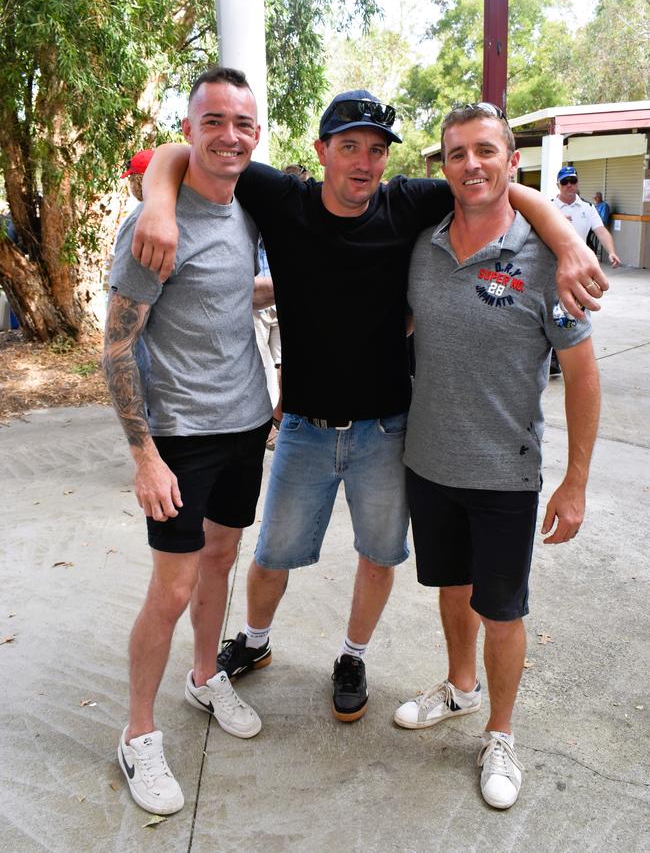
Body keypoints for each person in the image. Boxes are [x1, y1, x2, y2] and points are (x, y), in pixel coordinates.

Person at [131, 88, 608, 727]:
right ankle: (254, 637)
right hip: (301, 426)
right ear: (321, 150)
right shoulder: (282, 199)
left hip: (388, 429)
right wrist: (159, 205)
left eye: (377, 149)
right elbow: (179, 152)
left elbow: (497, 189)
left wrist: (568, 241)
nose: (363, 161)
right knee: (271, 554)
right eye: (349, 145)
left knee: (379, 555)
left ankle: (352, 655)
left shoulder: (408, 202)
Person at [393, 103, 601, 810]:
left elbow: (582, 374)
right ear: (443, 166)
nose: (471, 164)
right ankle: (458, 687)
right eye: (457, 153)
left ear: (514, 164)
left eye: (487, 150)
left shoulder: (548, 260)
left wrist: (574, 483)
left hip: (507, 475)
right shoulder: (422, 248)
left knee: (502, 611)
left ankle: (501, 732)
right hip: (429, 463)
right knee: (453, 590)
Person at [103, 66, 273, 816]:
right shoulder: (151, 228)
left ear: (256, 133)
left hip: (245, 425)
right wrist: (143, 454)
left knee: (222, 559)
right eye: (213, 122)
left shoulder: (252, 209)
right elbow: (114, 347)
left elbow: (234, 287)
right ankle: (138, 733)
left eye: (242, 122)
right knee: (171, 589)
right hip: (180, 439)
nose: (229, 135)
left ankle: (206, 676)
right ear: (189, 131)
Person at [254, 164, 312, 450]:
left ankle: (279, 419)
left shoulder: (309, 221)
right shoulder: (265, 214)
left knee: (282, 365)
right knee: (264, 367)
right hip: (258, 308)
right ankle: (267, 428)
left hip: (283, 308)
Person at [549, 165, 620, 375]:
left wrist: (612, 252)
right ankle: (553, 356)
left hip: (578, 268)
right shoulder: (549, 207)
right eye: (565, 182)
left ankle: (576, 355)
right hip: (552, 267)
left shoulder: (587, 208)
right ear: (558, 185)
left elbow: (601, 231)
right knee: (552, 310)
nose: (570, 185)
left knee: (579, 312)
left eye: (573, 181)